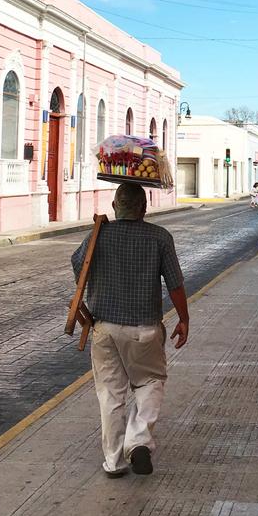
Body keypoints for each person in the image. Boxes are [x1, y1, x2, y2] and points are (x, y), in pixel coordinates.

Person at [70, 181, 188, 478]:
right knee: (149, 383)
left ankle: (114, 462)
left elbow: (78, 267)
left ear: (114, 206)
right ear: (144, 209)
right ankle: (138, 443)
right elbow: (175, 283)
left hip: (104, 328)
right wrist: (184, 319)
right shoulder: (160, 237)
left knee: (110, 394)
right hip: (144, 330)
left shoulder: (98, 235)